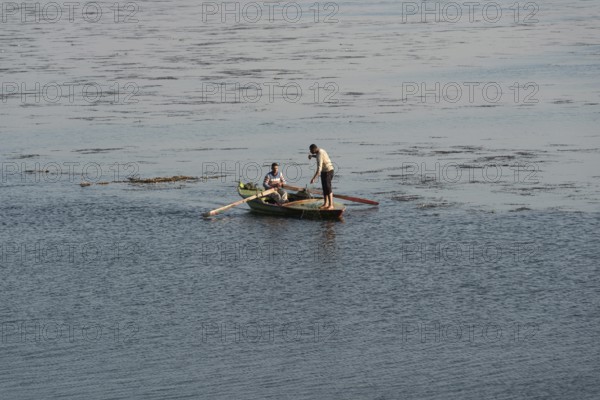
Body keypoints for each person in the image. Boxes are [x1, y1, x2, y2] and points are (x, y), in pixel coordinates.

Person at [308, 144, 334, 210]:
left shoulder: (320, 153)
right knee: (324, 188)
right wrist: (312, 156)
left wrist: (314, 178)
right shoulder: (320, 150)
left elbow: (319, 169)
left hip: (328, 171)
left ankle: (331, 205)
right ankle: (326, 203)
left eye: (311, 150)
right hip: (324, 172)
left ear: (314, 149)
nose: (310, 151)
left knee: (328, 188)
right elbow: (318, 156)